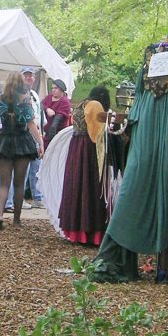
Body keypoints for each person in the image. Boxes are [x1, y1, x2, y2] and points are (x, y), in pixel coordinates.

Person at [53, 85, 112, 246]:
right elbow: (97, 134)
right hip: (88, 149)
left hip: (76, 147)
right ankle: (91, 232)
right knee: (90, 186)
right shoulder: (95, 105)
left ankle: (75, 231)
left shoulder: (81, 104)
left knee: (76, 185)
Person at [0, 71, 44, 230]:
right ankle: (16, 220)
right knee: (18, 184)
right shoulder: (25, 99)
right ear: (21, 83)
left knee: (4, 184)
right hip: (22, 143)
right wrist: (40, 143)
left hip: (3, 141)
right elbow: (31, 124)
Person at [5, 66, 44, 210]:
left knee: (34, 168)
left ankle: (34, 198)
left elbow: (37, 119)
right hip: (21, 136)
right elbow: (30, 122)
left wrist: (40, 137)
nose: (28, 78)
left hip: (28, 135)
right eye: (25, 75)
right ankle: (12, 201)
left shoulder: (33, 95)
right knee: (18, 171)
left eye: (31, 75)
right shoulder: (19, 97)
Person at [42, 78, 72, 149]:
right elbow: (40, 105)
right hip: (45, 133)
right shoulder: (49, 97)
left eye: (56, 88)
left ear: (61, 89)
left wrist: (52, 143)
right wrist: (47, 109)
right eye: (52, 88)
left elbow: (55, 124)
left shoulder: (64, 102)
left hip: (56, 135)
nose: (53, 90)